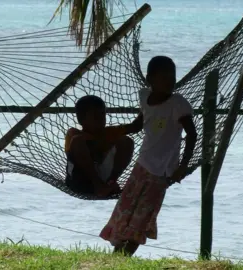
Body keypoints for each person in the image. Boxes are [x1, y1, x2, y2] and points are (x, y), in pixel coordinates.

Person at [99, 56, 197, 256]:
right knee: (125, 209)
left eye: (172, 78)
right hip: (142, 165)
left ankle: (124, 257)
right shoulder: (145, 97)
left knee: (142, 216)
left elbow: (192, 134)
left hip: (161, 172)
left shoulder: (178, 103)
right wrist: (109, 133)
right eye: (164, 78)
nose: (170, 82)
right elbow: (138, 125)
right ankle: (117, 255)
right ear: (149, 79)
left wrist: (182, 166)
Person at [65, 95, 143, 198]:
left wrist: (147, 107)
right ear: (81, 120)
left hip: (103, 179)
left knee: (126, 141)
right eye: (95, 117)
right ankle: (99, 186)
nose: (101, 119)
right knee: (77, 141)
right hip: (78, 180)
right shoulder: (74, 133)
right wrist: (106, 140)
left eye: (103, 115)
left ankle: (111, 183)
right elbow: (82, 143)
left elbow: (135, 127)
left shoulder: (108, 133)